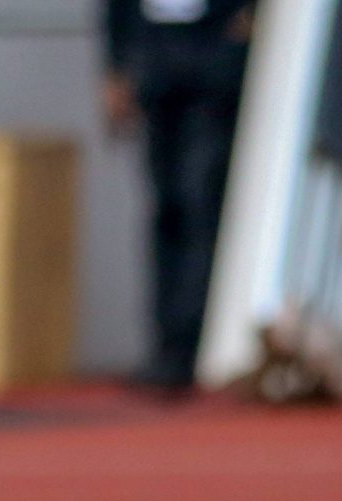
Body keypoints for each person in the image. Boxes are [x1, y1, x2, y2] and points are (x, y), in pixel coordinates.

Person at [104, 0, 259, 394]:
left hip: (214, 63)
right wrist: (116, 65)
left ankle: (193, 346)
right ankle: (165, 346)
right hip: (156, 62)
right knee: (166, 209)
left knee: (201, 205)